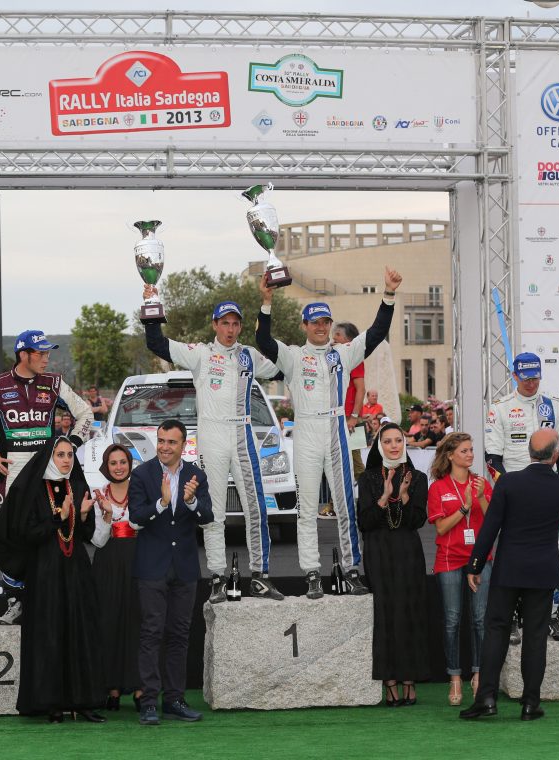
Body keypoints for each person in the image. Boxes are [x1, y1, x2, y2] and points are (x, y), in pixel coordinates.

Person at [257, 266, 403, 598]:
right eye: (315, 323)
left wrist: (388, 294)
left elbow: (376, 332)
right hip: (307, 429)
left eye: (325, 322)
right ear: (305, 326)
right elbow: (263, 341)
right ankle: (311, 573)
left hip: (337, 429)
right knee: (307, 507)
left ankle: (351, 570)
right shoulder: (293, 356)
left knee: (345, 505)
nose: (321, 327)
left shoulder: (344, 353)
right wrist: (266, 303)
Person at [143, 287, 282, 602]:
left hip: (243, 433)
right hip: (212, 433)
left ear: (240, 326)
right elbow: (157, 344)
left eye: (235, 324)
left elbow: (280, 364)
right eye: (225, 323)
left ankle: (260, 576)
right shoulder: (200, 353)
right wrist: (151, 305)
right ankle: (218, 578)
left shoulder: (249, 355)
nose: (230, 329)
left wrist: (267, 307)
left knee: (256, 508)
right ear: (215, 325)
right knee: (213, 511)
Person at [460, 429, 559, 721]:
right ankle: (531, 703)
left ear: (529, 453)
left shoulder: (508, 482)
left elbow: (491, 526)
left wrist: (475, 565)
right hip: (542, 571)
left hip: (509, 569)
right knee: (535, 636)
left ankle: (486, 698)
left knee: (496, 631)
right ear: (555, 456)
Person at [0, 330, 93, 624]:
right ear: (23, 354)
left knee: (54, 531)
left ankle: (49, 595)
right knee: (15, 537)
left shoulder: (54, 383)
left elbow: (86, 413)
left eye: (48, 353)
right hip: (14, 470)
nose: (47, 359)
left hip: (49, 471)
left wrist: (71, 445)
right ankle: (15, 600)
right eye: (41, 353)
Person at [4, 435, 107, 722]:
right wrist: (57, 518)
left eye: (70, 455)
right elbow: (27, 534)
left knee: (80, 632)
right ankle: (52, 703)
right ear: (49, 457)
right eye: (60, 455)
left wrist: (83, 515)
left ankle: (83, 701)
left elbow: (85, 535)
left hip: (76, 571)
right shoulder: (35, 489)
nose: (66, 460)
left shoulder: (78, 485)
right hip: (45, 573)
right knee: (49, 635)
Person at [484, 351, 559, 642]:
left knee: (551, 553)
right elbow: (492, 458)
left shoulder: (553, 405)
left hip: (546, 494)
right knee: (510, 554)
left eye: (535, 378)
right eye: (526, 379)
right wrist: (508, 490)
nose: (531, 383)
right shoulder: (500, 408)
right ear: (514, 376)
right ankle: (511, 617)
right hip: (515, 494)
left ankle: (552, 615)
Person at [128, 419, 214, 725]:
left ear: (183, 445)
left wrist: (191, 502)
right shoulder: (142, 474)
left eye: (171, 442)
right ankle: (149, 701)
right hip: (152, 567)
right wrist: (162, 503)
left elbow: (207, 516)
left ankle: (175, 699)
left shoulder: (196, 475)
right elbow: (136, 518)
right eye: (161, 441)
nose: (164, 447)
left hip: (185, 568)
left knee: (179, 635)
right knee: (151, 633)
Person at [358, 421, 430, 706]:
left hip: (408, 552)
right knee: (385, 615)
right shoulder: (368, 478)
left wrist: (404, 496)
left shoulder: (417, 477)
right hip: (379, 552)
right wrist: (385, 497)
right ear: (379, 446)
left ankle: (410, 679)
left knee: (410, 612)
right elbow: (365, 522)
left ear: (404, 443)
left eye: (398, 440)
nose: (394, 446)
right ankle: (389, 681)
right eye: (387, 441)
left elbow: (417, 521)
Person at [428, 432, 492, 706]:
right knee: (452, 620)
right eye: (464, 450)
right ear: (451, 455)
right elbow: (441, 528)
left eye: (471, 450)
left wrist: (481, 498)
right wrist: (465, 507)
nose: (470, 455)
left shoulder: (481, 483)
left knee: (480, 619)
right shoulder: (438, 488)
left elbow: (492, 521)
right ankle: (455, 677)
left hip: (480, 559)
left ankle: (478, 675)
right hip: (449, 559)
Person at [89, 444, 143, 711]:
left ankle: (140, 689)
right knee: (108, 622)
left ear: (130, 464)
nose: (119, 467)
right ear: (106, 466)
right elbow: (98, 541)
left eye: (123, 462)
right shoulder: (98, 494)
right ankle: (111, 689)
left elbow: (145, 525)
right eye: (113, 463)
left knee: (138, 621)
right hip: (107, 563)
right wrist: (108, 516)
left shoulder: (142, 491)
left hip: (138, 560)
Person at [333, 321, 367, 482]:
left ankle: (366, 494)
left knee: (356, 461)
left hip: (351, 418)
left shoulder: (355, 358)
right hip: (338, 415)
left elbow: (361, 389)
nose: (333, 338)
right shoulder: (336, 358)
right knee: (339, 460)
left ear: (349, 339)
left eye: (338, 334)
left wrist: (354, 417)